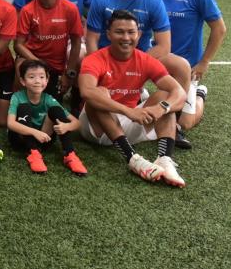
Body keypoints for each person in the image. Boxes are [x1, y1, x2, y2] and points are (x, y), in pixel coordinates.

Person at [84, 0, 193, 147]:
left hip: (142, 54)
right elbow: (91, 39)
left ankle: (172, 123)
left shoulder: (153, 0)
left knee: (182, 66)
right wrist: (99, 64)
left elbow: (164, 45)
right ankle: (79, 106)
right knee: (81, 56)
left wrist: (135, 65)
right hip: (106, 56)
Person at [78, 10, 187, 187]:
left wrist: (162, 108)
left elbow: (179, 93)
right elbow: (86, 92)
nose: (126, 37)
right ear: (109, 34)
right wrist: (128, 111)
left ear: (139, 34)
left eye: (131, 32)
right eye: (119, 32)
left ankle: (164, 159)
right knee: (99, 93)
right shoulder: (95, 59)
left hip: (128, 124)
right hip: (96, 128)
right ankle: (133, 159)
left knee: (166, 97)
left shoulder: (145, 59)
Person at [145, 0, 226, 131]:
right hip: (159, 60)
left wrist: (204, 62)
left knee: (184, 124)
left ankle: (199, 95)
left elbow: (219, 29)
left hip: (187, 66)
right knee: (151, 112)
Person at [14, 0, 84, 103]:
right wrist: (39, 64)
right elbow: (18, 45)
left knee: (49, 104)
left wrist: (69, 74)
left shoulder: (70, 8)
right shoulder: (28, 10)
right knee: (20, 65)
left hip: (57, 67)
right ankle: (17, 100)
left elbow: (76, 43)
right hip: (32, 59)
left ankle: (74, 100)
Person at [7, 60, 87, 176]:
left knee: (56, 110)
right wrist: (35, 132)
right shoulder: (17, 96)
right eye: (31, 77)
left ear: (47, 80)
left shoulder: (48, 99)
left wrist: (66, 126)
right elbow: (10, 124)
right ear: (23, 81)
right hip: (20, 141)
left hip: (44, 140)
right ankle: (33, 153)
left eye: (41, 77)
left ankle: (70, 155)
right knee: (25, 108)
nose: (37, 81)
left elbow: (77, 123)